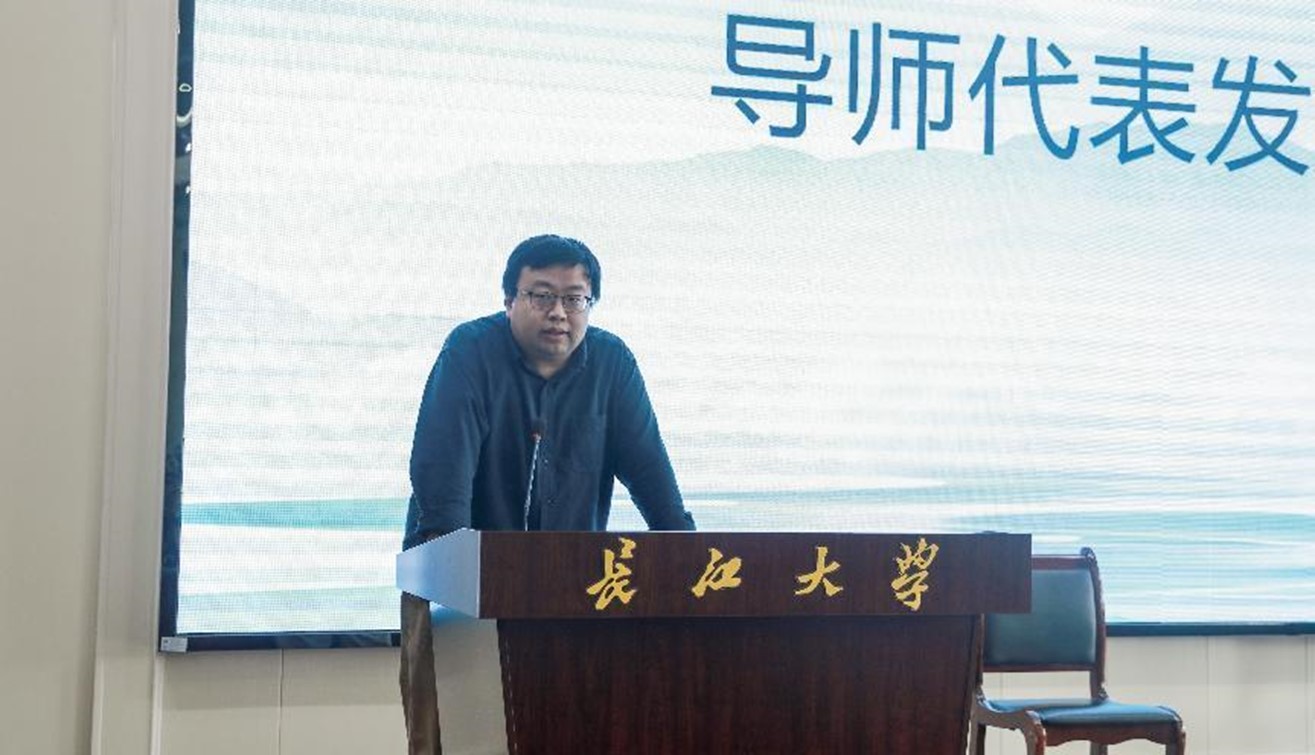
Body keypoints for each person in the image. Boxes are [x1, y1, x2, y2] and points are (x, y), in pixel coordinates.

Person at [399, 234, 696, 754]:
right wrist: (461, 576)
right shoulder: (469, 352)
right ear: (509, 299)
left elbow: (651, 472)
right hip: (456, 584)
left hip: (569, 588)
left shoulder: (612, 362)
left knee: (571, 726)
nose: (558, 312)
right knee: (451, 733)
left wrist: (691, 560)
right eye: (541, 295)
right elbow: (441, 477)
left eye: (574, 298)